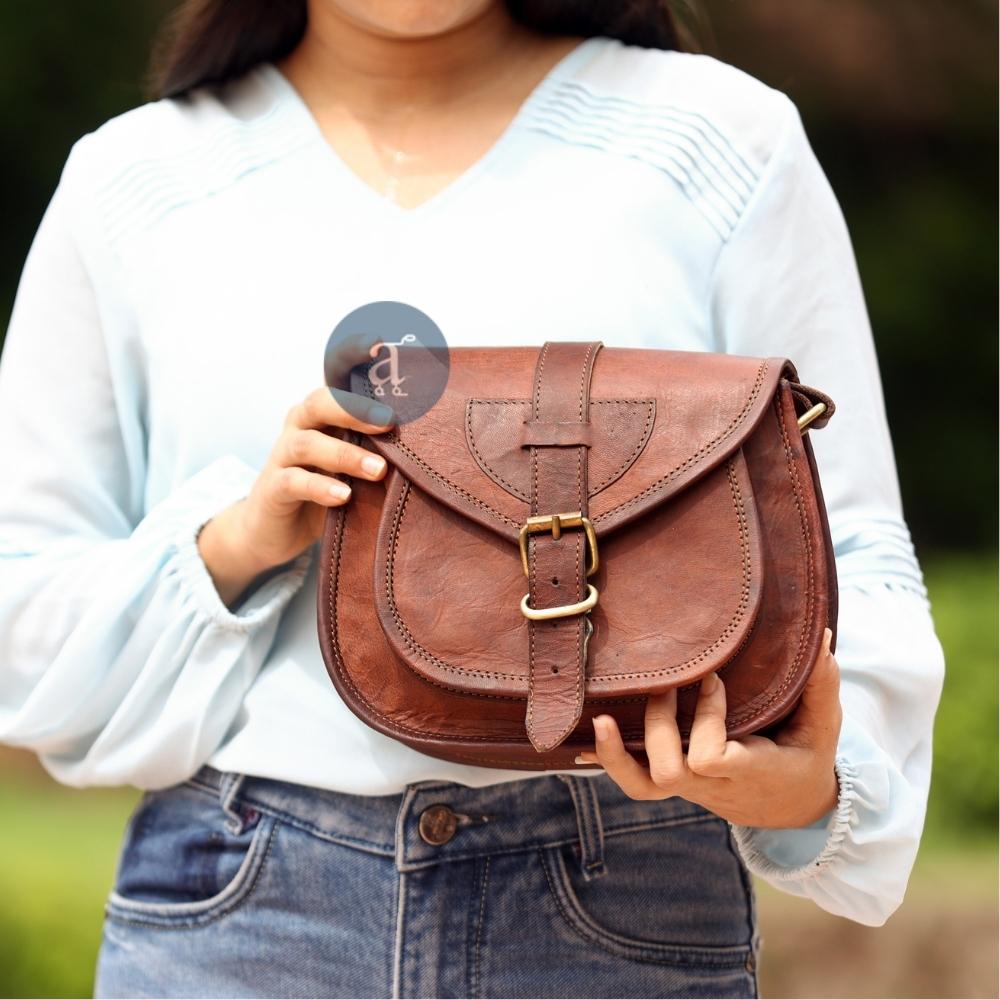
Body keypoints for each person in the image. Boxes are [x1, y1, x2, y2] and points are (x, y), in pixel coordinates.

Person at [0, 1, 945, 997]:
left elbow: (850, 549)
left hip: (624, 906)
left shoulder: (717, 141)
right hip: (237, 920)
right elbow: (20, 617)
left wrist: (814, 786)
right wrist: (229, 542)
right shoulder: (133, 182)